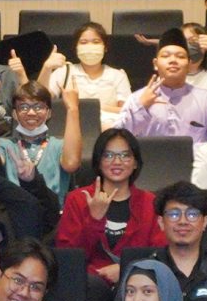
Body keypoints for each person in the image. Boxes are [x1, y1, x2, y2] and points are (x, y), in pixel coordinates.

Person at [55, 123, 162, 288]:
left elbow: (159, 253)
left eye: (125, 155)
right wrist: (94, 220)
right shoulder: (78, 199)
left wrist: (126, 269)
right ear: (98, 162)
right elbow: (69, 257)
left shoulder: (150, 203)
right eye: (108, 155)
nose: (117, 162)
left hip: (138, 282)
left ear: (135, 163)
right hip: (89, 285)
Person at [118, 35, 207, 142]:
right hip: (149, 158)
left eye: (180, 56)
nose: (173, 60)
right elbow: (118, 137)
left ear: (189, 65)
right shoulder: (136, 98)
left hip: (194, 158)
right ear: (155, 64)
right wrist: (141, 107)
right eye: (166, 56)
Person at [39, 21, 131, 129]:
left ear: (105, 47)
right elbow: (40, 99)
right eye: (83, 42)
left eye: (96, 42)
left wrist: (96, 107)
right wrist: (46, 68)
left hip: (108, 130)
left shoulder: (117, 75)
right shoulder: (65, 71)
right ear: (76, 47)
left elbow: (127, 111)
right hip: (71, 127)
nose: (90, 46)